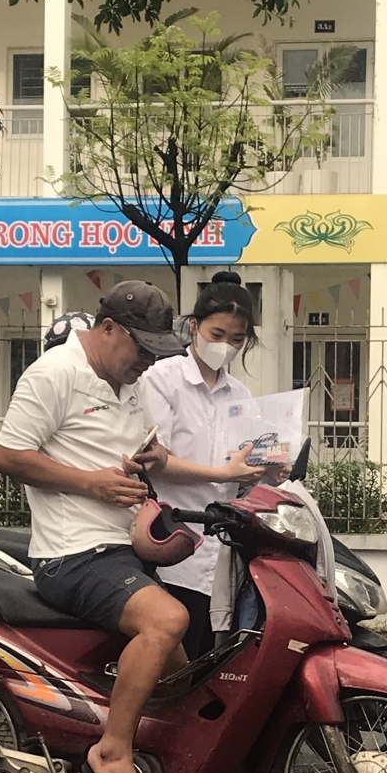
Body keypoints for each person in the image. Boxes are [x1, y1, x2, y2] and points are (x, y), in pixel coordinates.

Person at [0, 281, 191, 773]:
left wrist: (156, 460)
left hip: (123, 553)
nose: (149, 362)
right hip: (72, 554)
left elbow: (145, 451)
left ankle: (143, 766)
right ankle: (111, 753)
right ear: (108, 330)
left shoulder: (132, 385)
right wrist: (91, 485)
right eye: (142, 349)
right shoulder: (54, 373)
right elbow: (7, 456)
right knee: (168, 620)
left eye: (157, 352)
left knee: (184, 680)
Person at [142, 272, 270, 659]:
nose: (226, 346)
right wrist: (223, 475)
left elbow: (241, 469)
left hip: (222, 551)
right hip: (171, 541)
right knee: (172, 659)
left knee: (209, 662)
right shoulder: (161, 380)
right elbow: (154, 461)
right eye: (217, 335)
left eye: (237, 339)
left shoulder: (241, 395)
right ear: (194, 327)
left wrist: (266, 469)